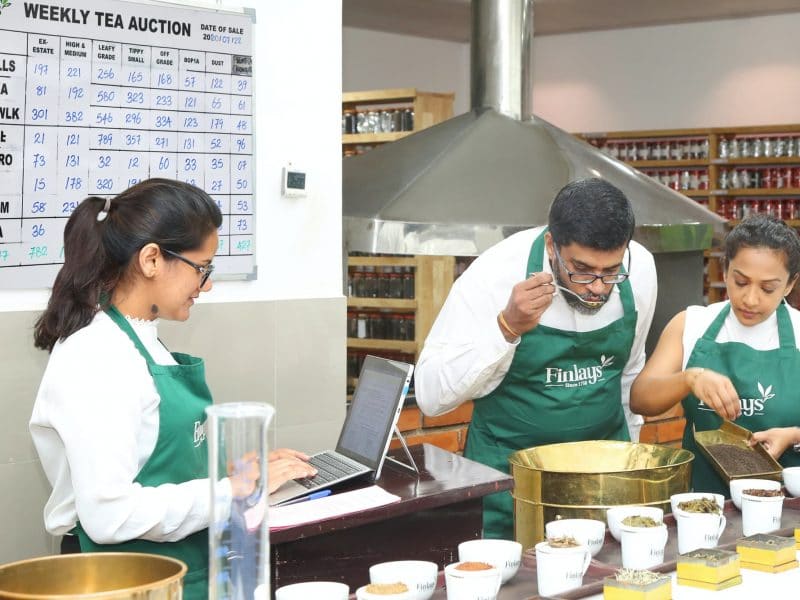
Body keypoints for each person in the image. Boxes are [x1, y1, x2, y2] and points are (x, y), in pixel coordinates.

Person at [29, 179, 315, 600]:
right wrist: (232, 490)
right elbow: (110, 516)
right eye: (203, 269)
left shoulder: (142, 341)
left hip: (180, 571)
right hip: (128, 581)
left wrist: (241, 472)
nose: (208, 284)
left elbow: (159, 463)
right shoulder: (96, 357)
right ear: (151, 260)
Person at [415, 178, 658, 539]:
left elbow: (628, 374)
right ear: (551, 245)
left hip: (603, 481)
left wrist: (630, 466)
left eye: (610, 272)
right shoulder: (493, 275)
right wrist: (506, 328)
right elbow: (431, 396)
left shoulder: (640, 270)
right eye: (581, 269)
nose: (596, 288)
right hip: (509, 485)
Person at [630, 214, 800, 497]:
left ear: (790, 285)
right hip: (703, 503)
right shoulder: (690, 324)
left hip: (788, 510)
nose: (750, 299)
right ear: (724, 271)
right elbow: (640, 399)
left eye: (768, 288)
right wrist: (689, 379)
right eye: (741, 282)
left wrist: (794, 436)